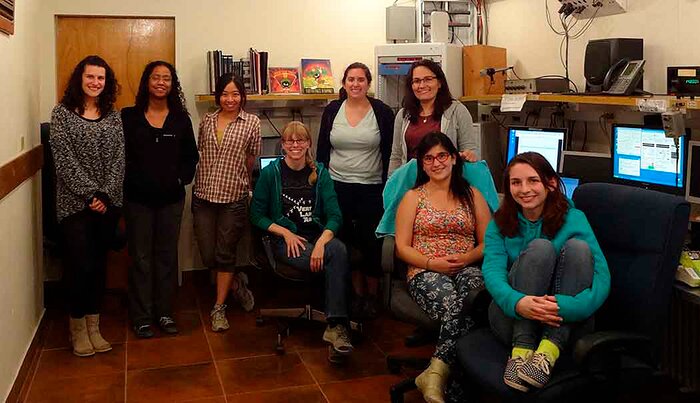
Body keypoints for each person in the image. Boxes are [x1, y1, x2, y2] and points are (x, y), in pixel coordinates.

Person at [482, 152, 610, 392]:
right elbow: (492, 273)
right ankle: (521, 351)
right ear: (508, 187)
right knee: (541, 248)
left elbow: (602, 279)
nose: (524, 189)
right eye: (516, 182)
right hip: (512, 316)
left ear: (550, 183)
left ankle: (547, 354)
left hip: (562, 320)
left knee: (579, 249)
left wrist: (565, 306)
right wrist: (518, 302)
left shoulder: (574, 219)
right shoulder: (499, 223)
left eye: (533, 180)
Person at [395, 132, 491, 402]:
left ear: (453, 159)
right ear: (422, 165)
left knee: (474, 301)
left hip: (467, 266)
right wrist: (431, 263)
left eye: (442, 156)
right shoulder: (413, 198)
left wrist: (468, 257)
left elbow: (487, 241)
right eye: (428, 158)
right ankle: (458, 391)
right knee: (456, 308)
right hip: (424, 269)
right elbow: (402, 247)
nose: (436, 163)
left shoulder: (472, 195)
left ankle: (436, 372)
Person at [250, 121, 354, 357]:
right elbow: (256, 215)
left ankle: (335, 322)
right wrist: (285, 232)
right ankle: (337, 324)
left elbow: (335, 216)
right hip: (285, 242)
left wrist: (319, 243)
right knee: (336, 258)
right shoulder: (270, 174)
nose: (295, 145)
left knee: (337, 250)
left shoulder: (320, 173)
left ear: (308, 143)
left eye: (300, 140)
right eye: (290, 141)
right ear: (283, 145)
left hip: (316, 238)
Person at [49, 55, 124, 357]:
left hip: (107, 205)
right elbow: (64, 160)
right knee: (78, 267)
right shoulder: (62, 115)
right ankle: (77, 328)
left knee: (98, 267)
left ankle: (94, 326)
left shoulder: (113, 115)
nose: (95, 82)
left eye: (101, 78)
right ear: (79, 79)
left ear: (107, 83)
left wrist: (105, 195)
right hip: (74, 207)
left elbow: (120, 158)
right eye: (90, 77)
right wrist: (90, 194)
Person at [122, 61, 199, 338]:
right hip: (137, 200)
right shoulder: (128, 117)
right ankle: (141, 316)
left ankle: (164, 312)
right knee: (141, 258)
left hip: (171, 200)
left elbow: (191, 157)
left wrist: (180, 179)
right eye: (156, 77)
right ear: (147, 82)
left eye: (167, 78)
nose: (161, 82)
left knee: (167, 257)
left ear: (172, 85)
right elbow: (120, 158)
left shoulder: (180, 119)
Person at [316, 62, 394, 319]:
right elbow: (322, 150)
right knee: (347, 243)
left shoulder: (381, 112)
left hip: (372, 187)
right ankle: (356, 294)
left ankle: (372, 297)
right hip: (338, 186)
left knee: (372, 244)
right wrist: (320, 177)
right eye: (351, 79)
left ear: (368, 84)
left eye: (361, 79)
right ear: (344, 83)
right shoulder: (332, 110)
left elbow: (390, 151)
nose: (355, 84)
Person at [193, 73, 260, 332]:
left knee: (225, 254)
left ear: (242, 96)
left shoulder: (251, 122)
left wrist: (239, 181)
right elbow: (201, 153)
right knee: (209, 255)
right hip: (203, 197)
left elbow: (251, 159)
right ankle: (236, 283)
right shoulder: (206, 121)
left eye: (235, 94)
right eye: (224, 94)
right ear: (217, 96)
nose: (230, 99)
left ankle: (219, 308)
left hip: (233, 198)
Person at [388, 59, 478, 177]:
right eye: (416, 81)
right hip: (411, 183)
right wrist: (392, 184)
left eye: (428, 79)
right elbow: (396, 156)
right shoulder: (403, 115)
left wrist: (468, 156)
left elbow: (470, 151)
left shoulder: (457, 111)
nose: (422, 85)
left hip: (446, 184)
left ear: (439, 82)